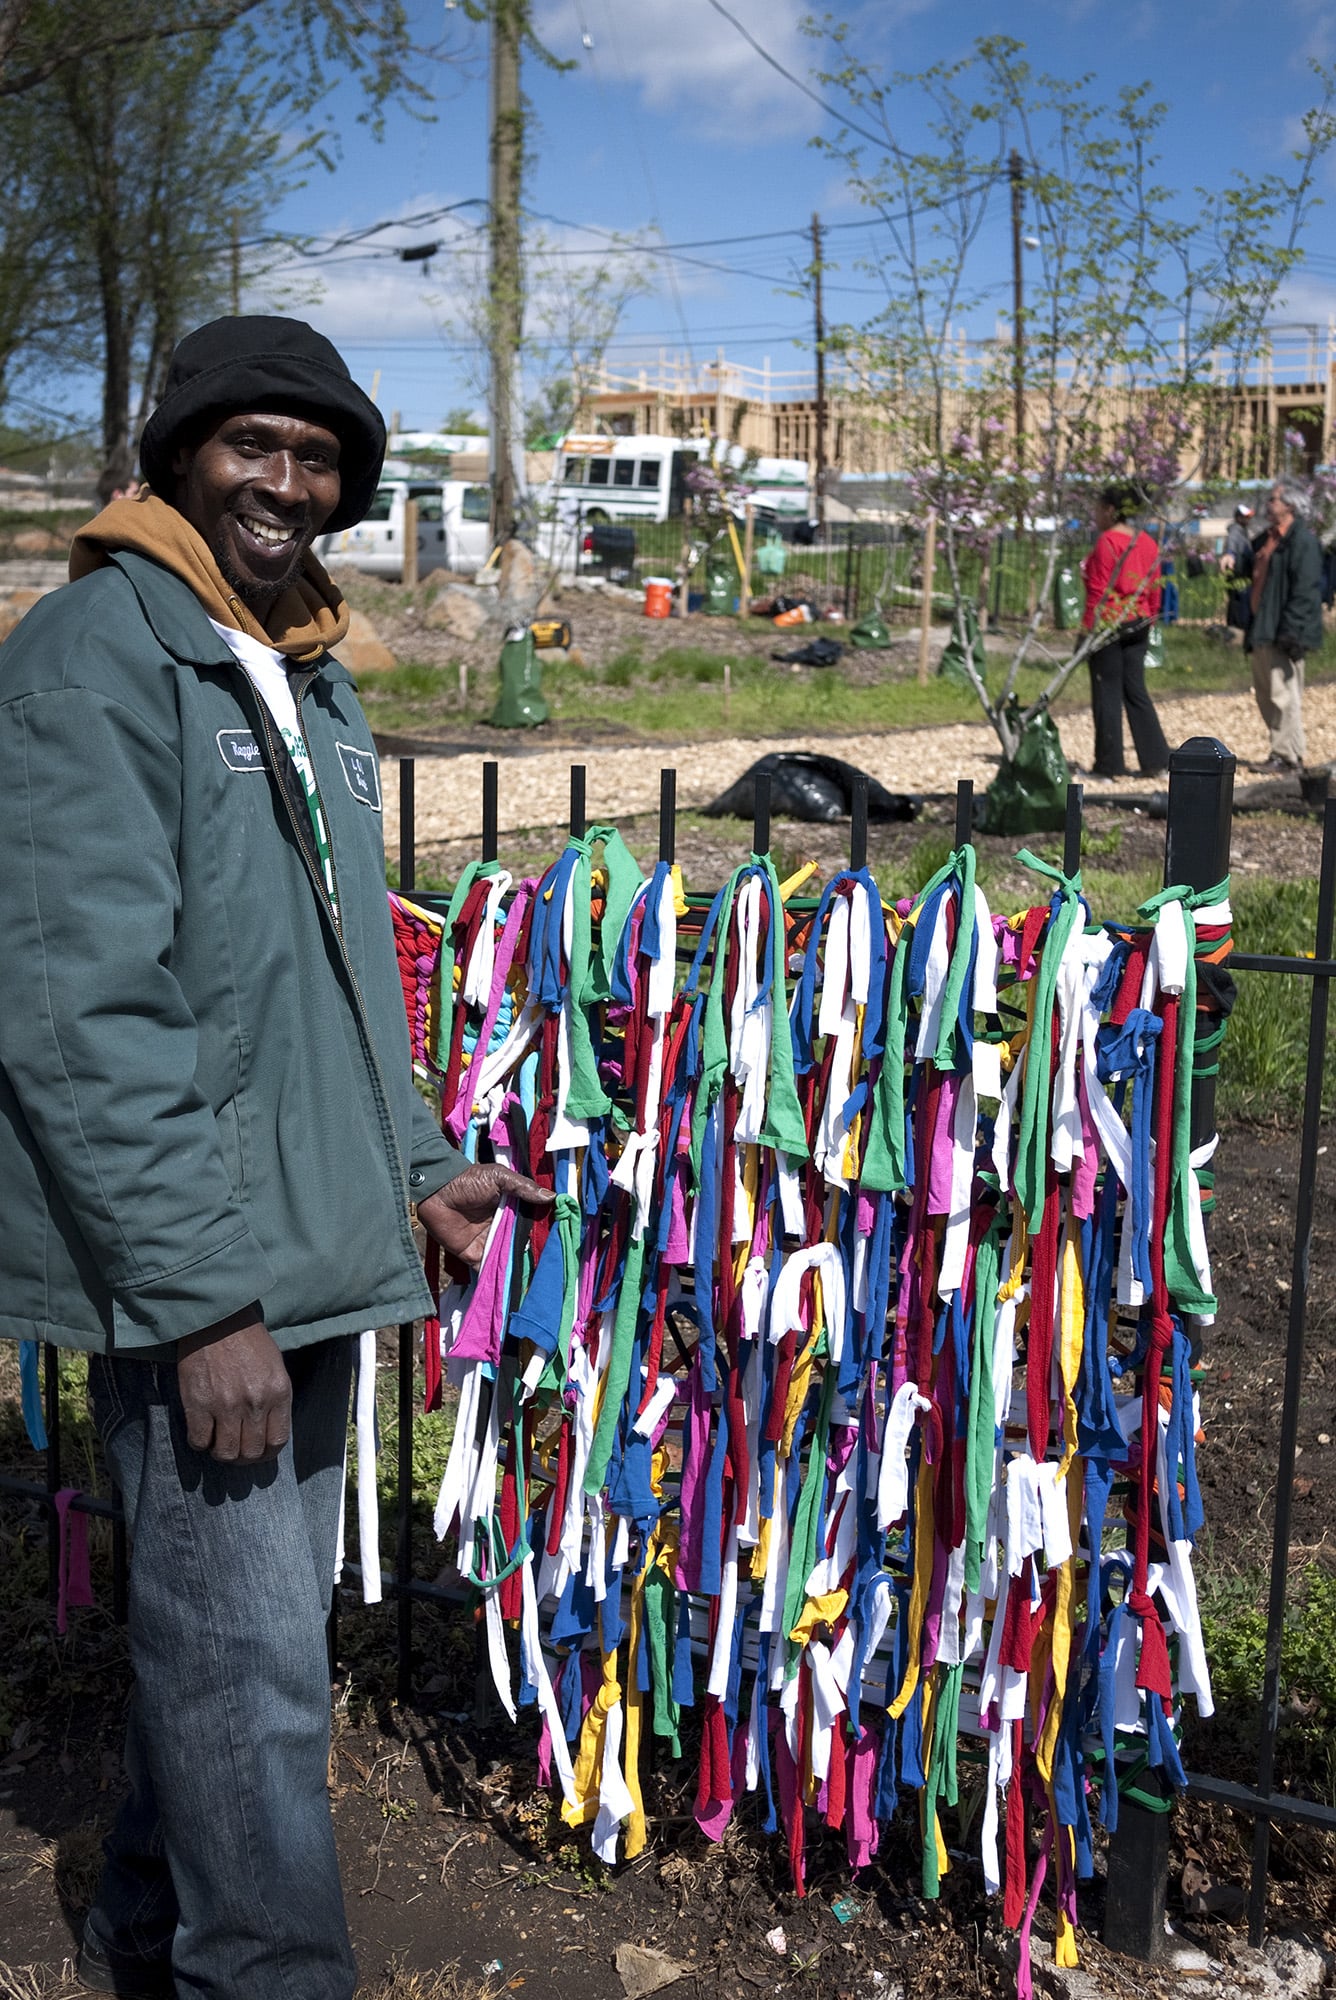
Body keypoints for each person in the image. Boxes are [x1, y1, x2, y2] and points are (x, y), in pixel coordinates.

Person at [0, 315, 549, 2000]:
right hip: (207, 1277)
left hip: (302, 1241)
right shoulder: (99, 654)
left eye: (318, 461)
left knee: (238, 1653)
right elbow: (78, 1007)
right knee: (251, 1678)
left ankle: (147, 1923)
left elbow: (325, 981)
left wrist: (422, 1159)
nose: (287, 485)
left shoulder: (300, 671)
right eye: (255, 446)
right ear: (178, 455)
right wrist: (198, 1302)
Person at [1222, 476, 1323, 771]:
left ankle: (1287, 755)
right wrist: (1231, 559)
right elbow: (1247, 566)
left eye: (1273, 499)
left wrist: (1292, 631)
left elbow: (1305, 590)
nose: (1268, 504)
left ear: (1290, 505)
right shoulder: (1267, 538)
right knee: (1267, 693)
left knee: (1283, 694)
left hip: (1283, 630)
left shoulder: (1302, 541)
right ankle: (1288, 752)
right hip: (1262, 626)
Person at [1080, 483, 1171, 780]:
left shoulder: (1108, 542)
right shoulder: (1146, 542)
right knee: (1136, 691)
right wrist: (1151, 617)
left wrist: (1088, 629)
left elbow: (1099, 589)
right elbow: (1156, 584)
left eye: (1097, 508)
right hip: (1140, 620)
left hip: (1110, 622)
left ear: (1109, 510)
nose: (1095, 515)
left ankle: (1109, 766)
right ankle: (1156, 761)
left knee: (1106, 692)